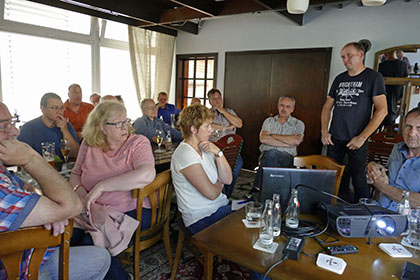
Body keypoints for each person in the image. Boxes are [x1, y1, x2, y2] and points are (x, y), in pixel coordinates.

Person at [0, 102, 110, 280]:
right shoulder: (30, 127)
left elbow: (26, 186)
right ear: (42, 108)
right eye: (4, 126)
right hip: (19, 268)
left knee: (89, 232)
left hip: (32, 247)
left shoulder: (64, 126)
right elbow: (72, 205)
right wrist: (30, 157)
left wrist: (49, 209)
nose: (15, 132)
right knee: (99, 252)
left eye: (61, 108)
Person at [69, 101, 156, 280]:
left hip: (131, 210)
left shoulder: (137, 143)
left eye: (126, 121)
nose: (125, 127)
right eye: (118, 123)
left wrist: (100, 187)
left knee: (89, 247)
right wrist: (81, 193)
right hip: (91, 211)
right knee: (64, 240)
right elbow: (75, 174)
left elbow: (147, 174)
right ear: (102, 127)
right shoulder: (88, 144)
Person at [321, 42, 388, 203]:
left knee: (358, 179)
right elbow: (326, 107)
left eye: (349, 55)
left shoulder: (373, 77)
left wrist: (362, 137)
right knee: (333, 178)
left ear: (361, 54)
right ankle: (331, 212)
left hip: (357, 139)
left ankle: (362, 215)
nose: (345, 59)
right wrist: (324, 131)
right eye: (343, 57)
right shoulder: (339, 79)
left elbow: (382, 110)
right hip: (335, 138)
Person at [171, 104, 232, 234]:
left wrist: (218, 152)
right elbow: (211, 193)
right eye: (207, 126)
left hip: (219, 206)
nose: (212, 130)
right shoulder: (185, 154)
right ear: (193, 129)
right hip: (201, 218)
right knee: (251, 220)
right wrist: (219, 183)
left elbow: (228, 179)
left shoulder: (206, 147)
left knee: (253, 209)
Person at [368, 107, 420, 211]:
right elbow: (387, 177)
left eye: (419, 128)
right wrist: (374, 168)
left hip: (406, 221)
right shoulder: (397, 148)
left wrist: (383, 187)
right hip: (378, 210)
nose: (411, 133)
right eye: (408, 126)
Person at [253, 96, 305, 189]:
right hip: (267, 156)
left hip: (287, 158)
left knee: (271, 155)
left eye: (288, 106)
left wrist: (273, 135)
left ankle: (257, 188)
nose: (284, 109)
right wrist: (288, 142)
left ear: (292, 109)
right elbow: (263, 139)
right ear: (278, 106)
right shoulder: (269, 121)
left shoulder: (298, 123)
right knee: (270, 157)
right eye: (282, 105)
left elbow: (296, 141)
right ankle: (274, 190)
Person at [18, 92, 79, 160]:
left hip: (63, 168)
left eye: (61, 108)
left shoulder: (66, 126)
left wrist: (65, 131)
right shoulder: (28, 128)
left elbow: (75, 154)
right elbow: (21, 156)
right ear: (42, 108)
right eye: (54, 108)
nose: (59, 111)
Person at [207, 88, 244, 198]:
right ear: (209, 101)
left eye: (218, 98)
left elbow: (239, 124)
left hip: (230, 149)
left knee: (238, 165)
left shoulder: (229, 112)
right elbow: (208, 124)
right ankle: (217, 193)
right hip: (213, 148)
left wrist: (222, 111)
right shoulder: (207, 113)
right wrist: (225, 127)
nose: (216, 101)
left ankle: (227, 194)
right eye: (213, 99)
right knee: (216, 169)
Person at [378, 51, 409, 126]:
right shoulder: (403, 64)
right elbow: (406, 77)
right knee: (392, 109)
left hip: (383, 91)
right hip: (397, 91)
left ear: (385, 54)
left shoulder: (381, 65)